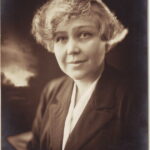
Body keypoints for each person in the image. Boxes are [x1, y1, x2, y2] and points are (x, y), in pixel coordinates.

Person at [27, 0, 144, 150]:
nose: (71, 49)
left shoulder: (134, 97)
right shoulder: (52, 91)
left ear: (107, 40)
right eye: (61, 38)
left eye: (84, 34)